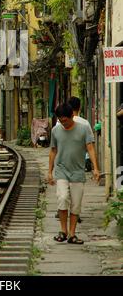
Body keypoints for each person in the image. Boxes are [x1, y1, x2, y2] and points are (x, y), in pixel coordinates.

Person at [48, 103, 100, 245]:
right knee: (63, 198)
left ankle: (72, 234)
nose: (63, 123)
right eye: (61, 120)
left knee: (76, 204)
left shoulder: (83, 129)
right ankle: (63, 231)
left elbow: (90, 148)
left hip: (78, 171)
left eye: (65, 120)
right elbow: (53, 151)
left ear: (72, 116)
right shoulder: (55, 131)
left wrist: (95, 168)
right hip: (61, 170)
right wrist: (49, 172)